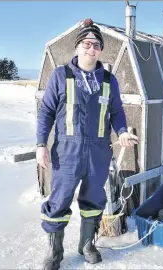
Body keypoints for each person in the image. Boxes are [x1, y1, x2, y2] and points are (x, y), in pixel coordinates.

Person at [36, 18, 138, 269]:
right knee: (59, 200)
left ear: (101, 50)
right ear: (77, 47)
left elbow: (116, 111)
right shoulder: (61, 75)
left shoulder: (108, 80)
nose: (90, 48)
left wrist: (122, 131)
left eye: (96, 45)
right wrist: (41, 144)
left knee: (94, 199)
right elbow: (46, 111)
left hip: (98, 152)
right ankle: (55, 251)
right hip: (66, 152)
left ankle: (87, 244)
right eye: (86, 44)